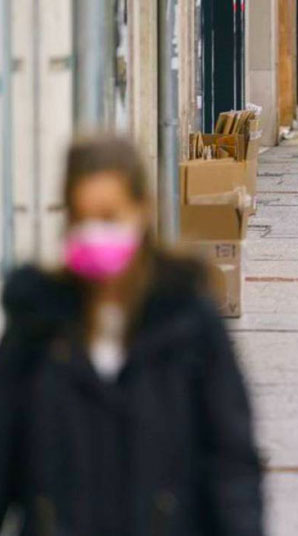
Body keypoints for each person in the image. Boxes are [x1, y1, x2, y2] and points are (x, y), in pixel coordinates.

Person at [0, 138, 264, 536]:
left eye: (109, 217)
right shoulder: (38, 323)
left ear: (141, 210)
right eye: (82, 218)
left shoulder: (186, 319)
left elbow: (231, 459)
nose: (94, 232)